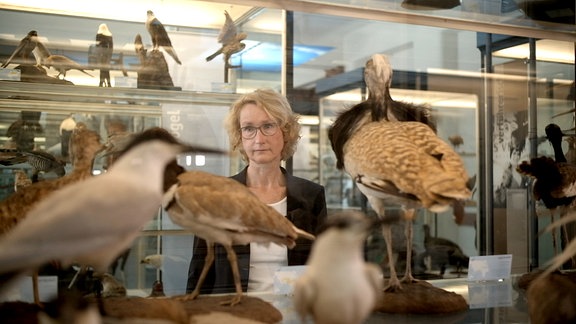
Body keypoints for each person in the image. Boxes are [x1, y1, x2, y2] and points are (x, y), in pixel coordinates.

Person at [186, 88, 327, 294]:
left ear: (286, 133)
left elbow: (323, 268)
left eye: (268, 126)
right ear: (239, 136)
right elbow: (200, 275)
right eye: (248, 128)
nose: (258, 139)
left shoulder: (311, 195)